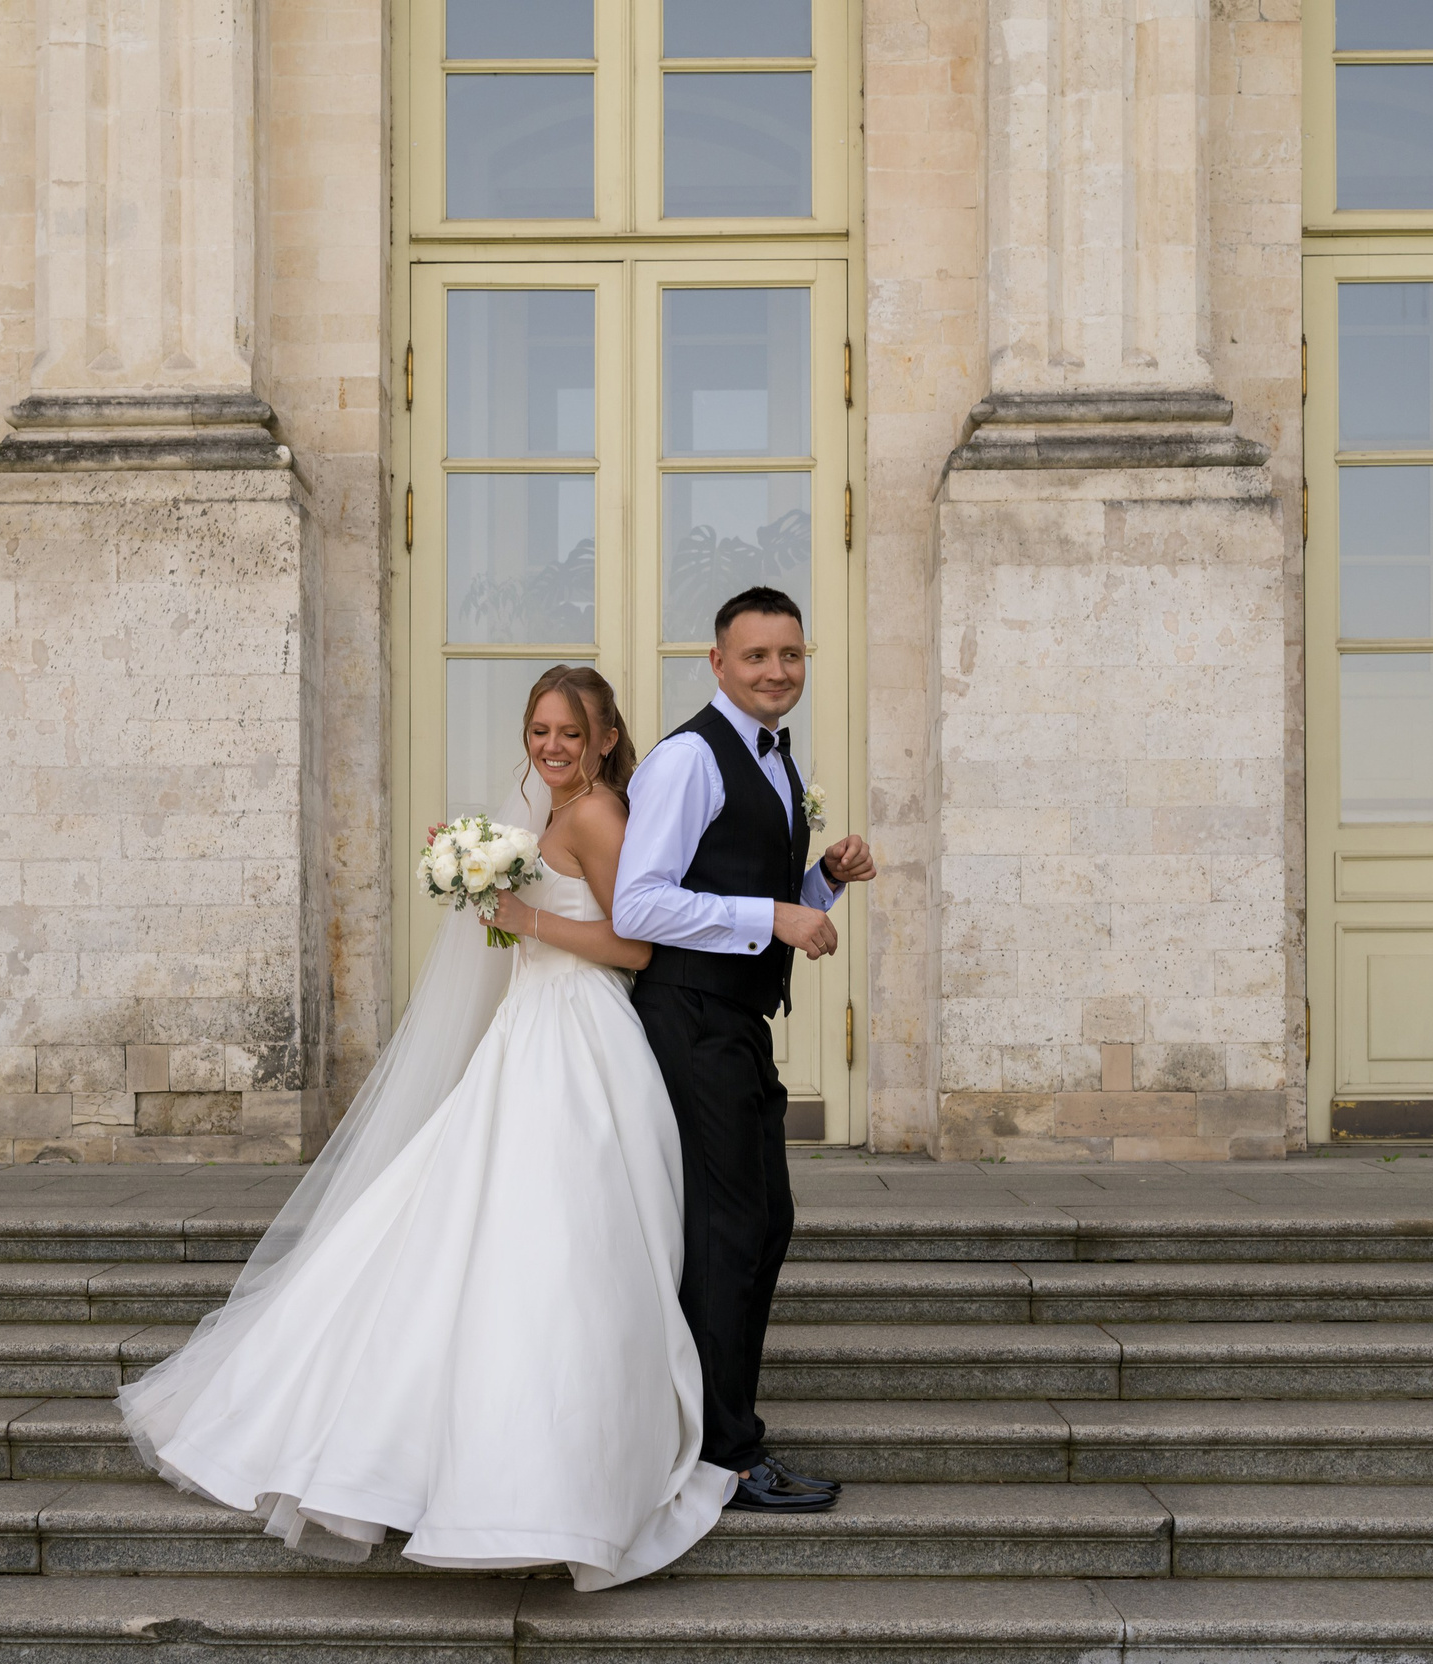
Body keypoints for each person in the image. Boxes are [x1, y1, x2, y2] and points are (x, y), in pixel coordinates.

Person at [115, 666, 735, 1590]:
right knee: (489, 1228)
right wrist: (502, 911)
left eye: (571, 731)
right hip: (533, 1028)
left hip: (582, 1038)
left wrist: (522, 914)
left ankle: (548, 1465)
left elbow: (635, 943)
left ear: (606, 738)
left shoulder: (601, 813)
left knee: (561, 1239)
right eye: (539, 730)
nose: (552, 747)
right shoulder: (564, 812)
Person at [615, 586, 878, 1514]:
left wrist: (820, 881)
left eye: (791, 656)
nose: (777, 671)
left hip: (733, 1023)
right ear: (718, 663)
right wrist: (776, 911)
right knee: (730, 1232)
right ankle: (722, 1454)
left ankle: (713, 1431)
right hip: (688, 1019)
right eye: (757, 656)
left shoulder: (773, 756)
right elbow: (637, 903)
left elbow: (735, 888)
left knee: (763, 1225)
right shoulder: (689, 757)